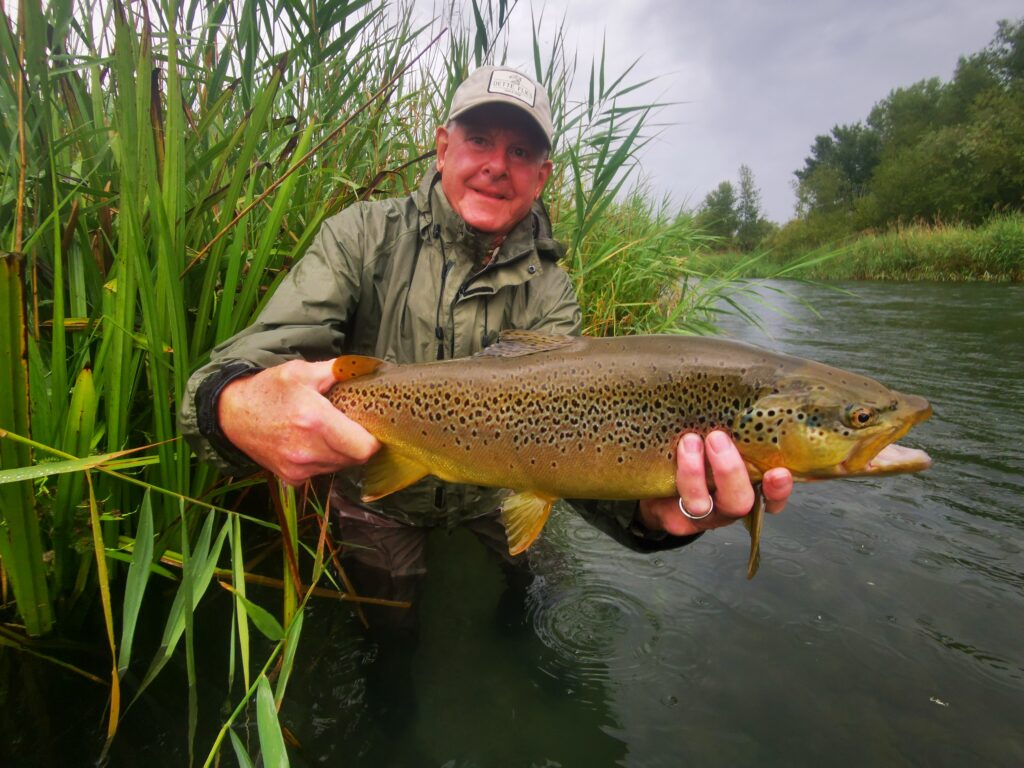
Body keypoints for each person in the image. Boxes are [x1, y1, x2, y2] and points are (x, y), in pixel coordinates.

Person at [179, 66, 794, 617]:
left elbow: (576, 440)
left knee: (520, 602)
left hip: (495, 497)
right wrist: (230, 407)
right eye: (479, 140)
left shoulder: (551, 289)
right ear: (444, 147)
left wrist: (653, 519)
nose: (498, 164)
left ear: (542, 175)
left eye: (520, 150)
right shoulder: (361, 236)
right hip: (380, 500)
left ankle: (511, 631)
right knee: (386, 623)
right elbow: (245, 364)